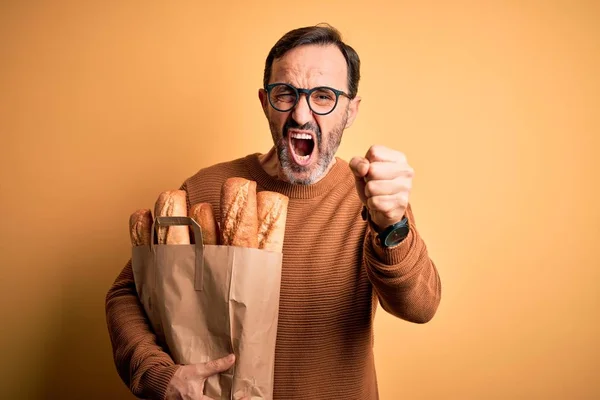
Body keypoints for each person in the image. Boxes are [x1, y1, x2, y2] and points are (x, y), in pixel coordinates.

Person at [105, 23, 442, 400]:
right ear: (266, 103)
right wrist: (159, 375)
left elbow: (420, 306)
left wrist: (391, 225)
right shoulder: (205, 191)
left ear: (351, 110)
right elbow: (126, 293)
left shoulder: (372, 201)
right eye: (286, 94)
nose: (301, 114)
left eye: (324, 97)